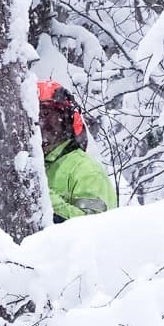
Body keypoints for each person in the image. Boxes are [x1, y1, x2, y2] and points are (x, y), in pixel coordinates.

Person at [38, 81, 117, 223]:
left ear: (64, 118)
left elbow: (95, 225)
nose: (38, 122)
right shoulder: (38, 164)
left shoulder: (85, 169)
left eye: (45, 113)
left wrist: (42, 195)